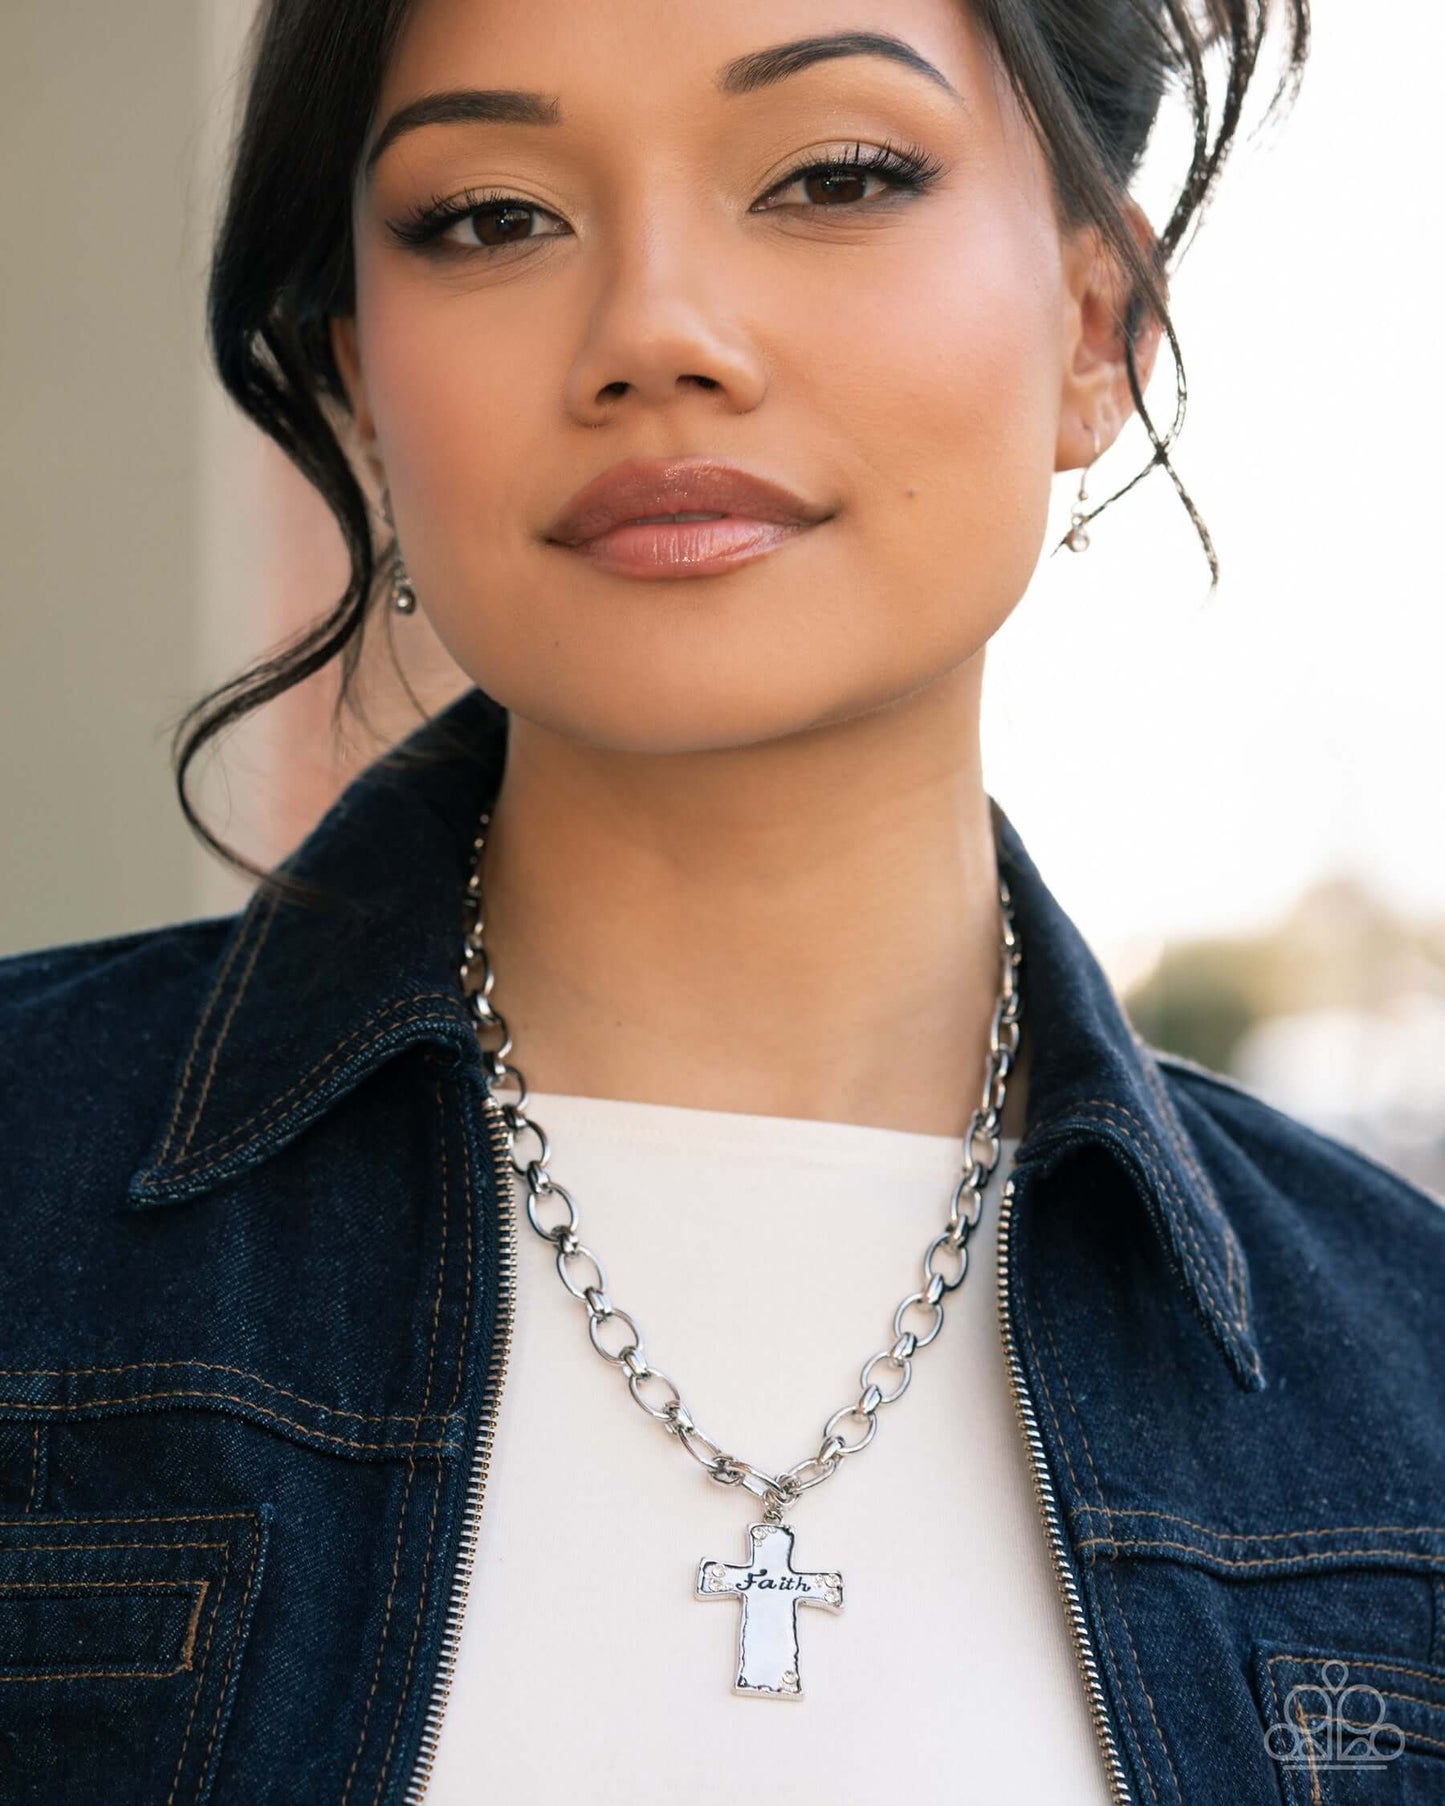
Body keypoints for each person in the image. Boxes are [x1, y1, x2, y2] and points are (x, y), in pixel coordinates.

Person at [5, 1, 1443, 1802]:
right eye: (492, 216)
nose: (654, 335)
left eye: (834, 175)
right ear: (365, 375)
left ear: (1096, 326)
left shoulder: (1411, 1394)